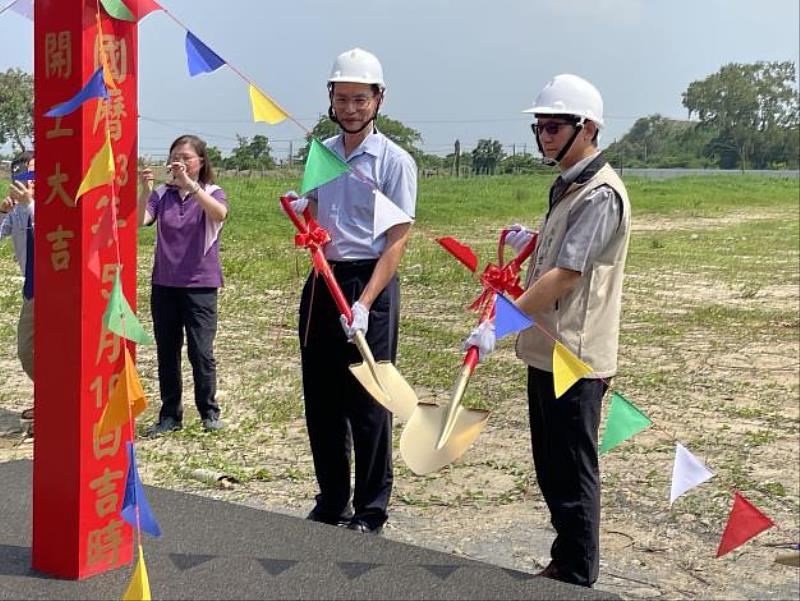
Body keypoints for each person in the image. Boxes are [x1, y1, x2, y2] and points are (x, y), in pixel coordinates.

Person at [466, 74, 631, 587]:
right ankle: (566, 557)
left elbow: (567, 274)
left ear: (589, 129)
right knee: (551, 465)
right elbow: (558, 252)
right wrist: (534, 239)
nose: (546, 136)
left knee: (571, 468)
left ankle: (578, 572)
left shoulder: (599, 193)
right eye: (541, 127)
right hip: (547, 348)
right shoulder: (570, 184)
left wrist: (501, 319)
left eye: (556, 126)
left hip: (574, 354)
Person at [286, 48, 417, 534]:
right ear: (330, 99)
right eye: (342, 99)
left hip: (370, 283)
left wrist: (364, 303)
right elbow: (315, 216)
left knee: (367, 401)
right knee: (321, 397)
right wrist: (305, 214)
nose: (350, 108)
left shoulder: (395, 161)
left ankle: (370, 509)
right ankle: (332, 500)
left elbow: (397, 240)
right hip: (325, 279)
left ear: (379, 100)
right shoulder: (321, 153)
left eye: (360, 99)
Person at [138, 135, 228, 436]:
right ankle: (169, 416)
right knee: (167, 350)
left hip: (200, 285)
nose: (180, 162)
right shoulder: (162, 194)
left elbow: (220, 214)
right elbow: (141, 220)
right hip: (164, 283)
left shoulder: (213, 191)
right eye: (175, 156)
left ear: (200, 162)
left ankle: (209, 411)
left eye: (187, 157)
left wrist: (193, 188)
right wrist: (145, 189)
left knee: (201, 351)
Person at [1, 151, 36, 432]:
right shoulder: (16, 208)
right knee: (27, 351)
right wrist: (3, 210)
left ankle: (54, 405)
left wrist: (32, 204)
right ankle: (50, 396)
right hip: (32, 290)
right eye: (20, 175)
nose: (25, 180)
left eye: (31, 174)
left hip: (61, 290)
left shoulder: (56, 200)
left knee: (58, 351)